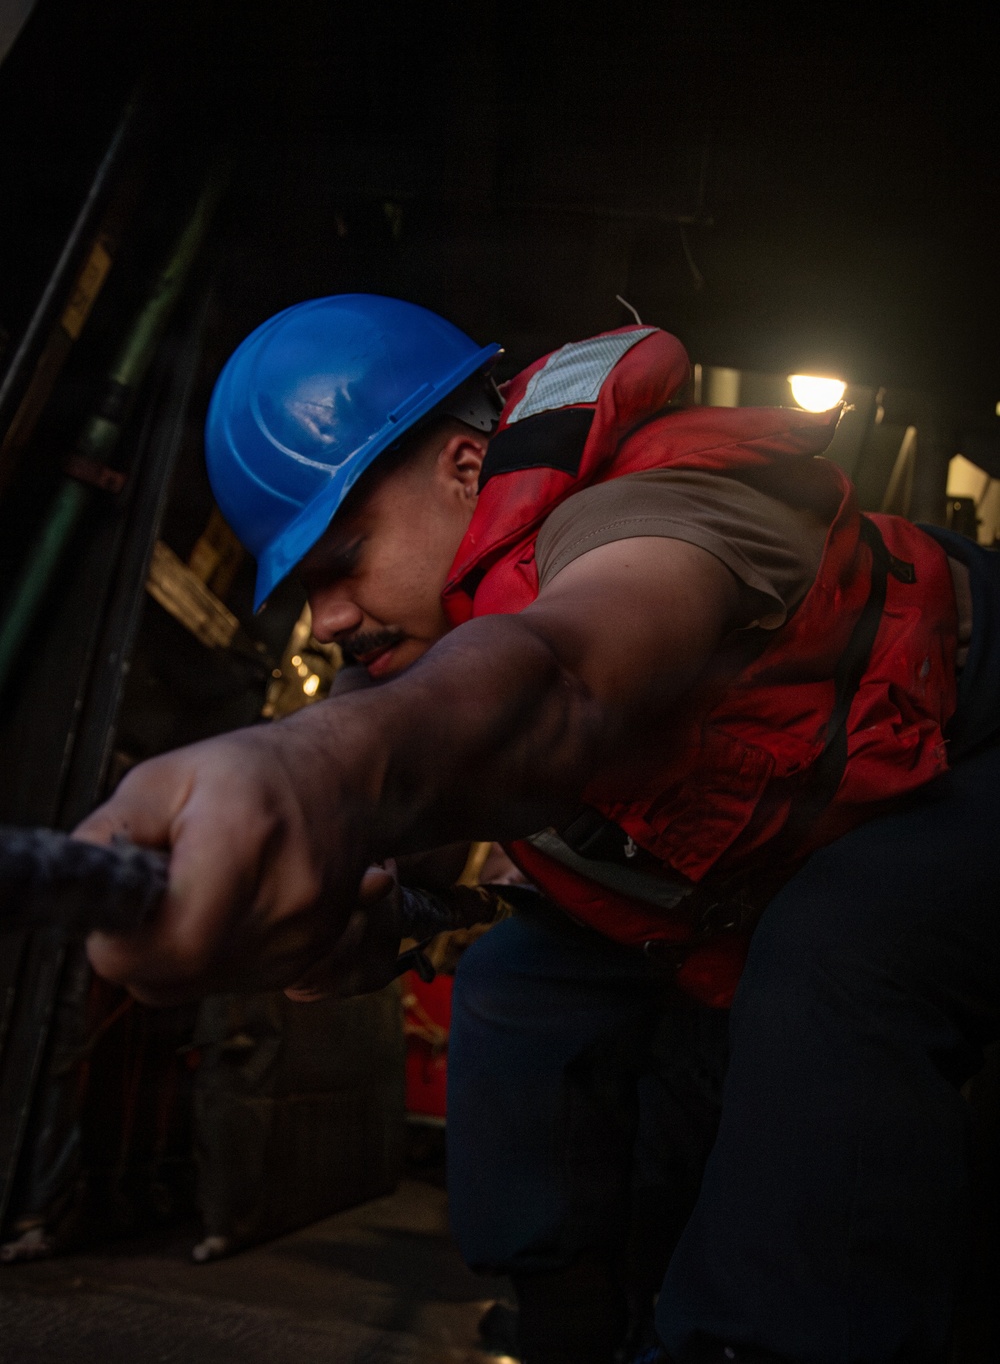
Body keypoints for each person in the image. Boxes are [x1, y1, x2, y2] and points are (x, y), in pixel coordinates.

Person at [78, 294, 1000, 1364]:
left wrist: (315, 767)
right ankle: (570, 1324)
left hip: (966, 756)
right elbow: (474, 835)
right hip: (765, 859)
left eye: (343, 555)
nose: (325, 618)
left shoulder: (666, 512)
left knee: (841, 957)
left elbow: (558, 677)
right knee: (519, 984)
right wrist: (375, 918)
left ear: (466, 470)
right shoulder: (422, 644)